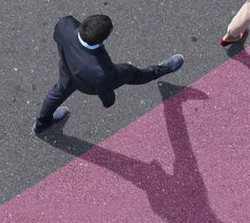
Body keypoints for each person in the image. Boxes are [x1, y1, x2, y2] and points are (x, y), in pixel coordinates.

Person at [33, 14, 184, 135]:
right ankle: (159, 71)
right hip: (92, 82)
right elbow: (105, 91)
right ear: (103, 40)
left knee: (56, 93)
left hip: (67, 70)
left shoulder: (65, 24)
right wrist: (108, 103)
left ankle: (41, 124)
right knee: (130, 72)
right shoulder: (102, 70)